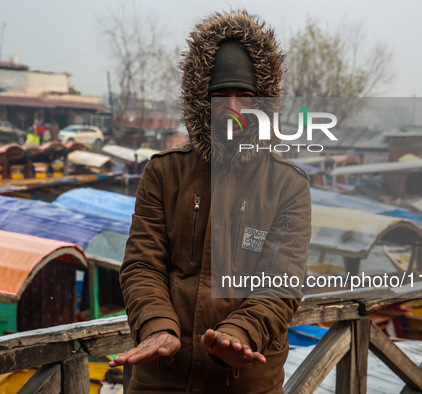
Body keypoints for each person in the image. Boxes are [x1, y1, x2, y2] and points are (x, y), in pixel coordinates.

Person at [111, 10, 311, 393]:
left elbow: (281, 282)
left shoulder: (288, 185)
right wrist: (157, 327)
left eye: (245, 96)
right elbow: (142, 265)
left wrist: (239, 333)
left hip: (246, 378)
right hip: (160, 377)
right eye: (220, 96)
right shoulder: (163, 174)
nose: (233, 109)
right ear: (202, 101)